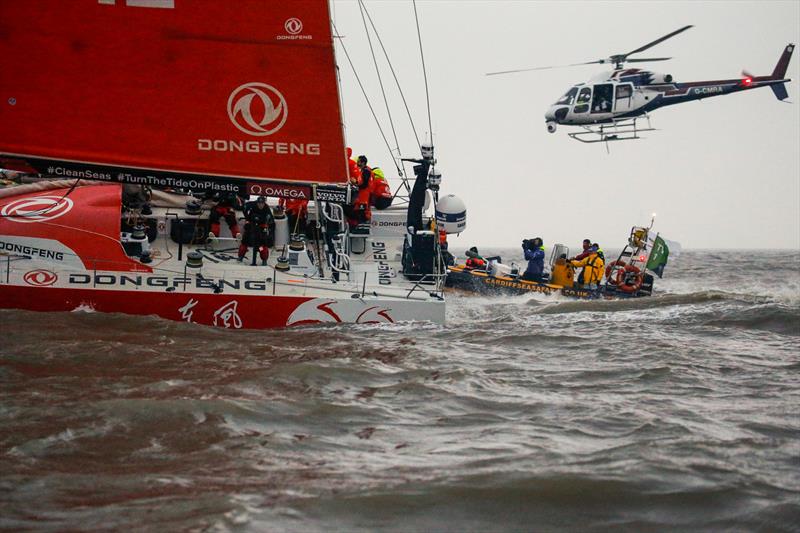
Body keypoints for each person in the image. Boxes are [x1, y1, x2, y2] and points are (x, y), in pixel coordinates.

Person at [238, 196, 274, 265]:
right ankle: (241, 256)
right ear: (257, 203)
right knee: (245, 241)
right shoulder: (253, 207)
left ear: (264, 203)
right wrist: (248, 224)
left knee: (262, 246)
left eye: (262, 203)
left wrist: (267, 227)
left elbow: (271, 220)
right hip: (252, 226)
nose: (260, 205)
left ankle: (264, 260)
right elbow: (248, 218)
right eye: (259, 203)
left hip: (261, 228)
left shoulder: (267, 209)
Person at [345, 154, 373, 228]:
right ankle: (356, 225)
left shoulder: (366, 171)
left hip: (364, 196)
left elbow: (364, 184)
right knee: (356, 210)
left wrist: (356, 183)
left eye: (359, 162)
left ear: (363, 163)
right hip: (361, 196)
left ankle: (360, 225)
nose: (357, 163)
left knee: (359, 211)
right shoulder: (363, 171)